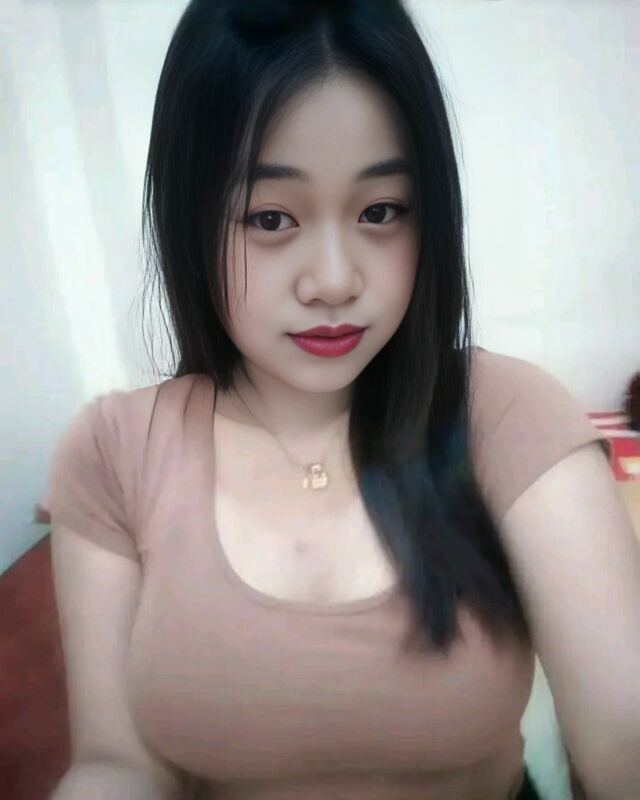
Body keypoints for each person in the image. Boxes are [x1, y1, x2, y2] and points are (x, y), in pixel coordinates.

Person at [46, 1, 640, 799]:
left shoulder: (507, 415)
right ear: (191, 222)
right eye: (271, 218)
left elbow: (623, 736)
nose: (334, 279)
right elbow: (117, 764)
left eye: (380, 211)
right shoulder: (114, 451)